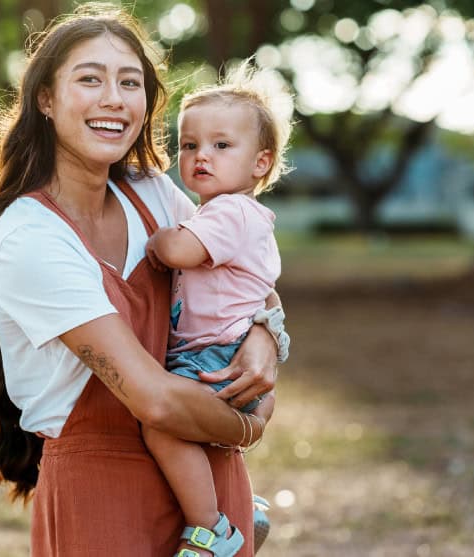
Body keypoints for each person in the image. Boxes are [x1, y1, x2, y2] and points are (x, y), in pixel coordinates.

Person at [0, 5, 285, 556]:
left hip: (208, 480)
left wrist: (266, 336)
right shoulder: (31, 235)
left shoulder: (152, 193)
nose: (114, 98)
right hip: (105, 492)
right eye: (90, 79)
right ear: (46, 99)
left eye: (129, 82)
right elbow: (154, 401)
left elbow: (244, 273)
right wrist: (252, 424)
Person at [142, 63, 293, 557]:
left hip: (214, 356)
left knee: (161, 425)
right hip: (216, 352)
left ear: (260, 163)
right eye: (189, 145)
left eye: (221, 146)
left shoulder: (231, 212)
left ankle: (212, 529)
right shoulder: (222, 213)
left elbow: (178, 253)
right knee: (195, 436)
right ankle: (242, 507)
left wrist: (162, 238)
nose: (201, 155)